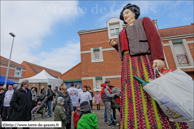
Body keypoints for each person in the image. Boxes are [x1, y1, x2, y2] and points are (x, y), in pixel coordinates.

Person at [108, 3, 188, 129]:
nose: (125, 16)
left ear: (135, 12)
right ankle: (134, 122)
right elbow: (125, 49)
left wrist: (158, 57)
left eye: (127, 13)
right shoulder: (122, 31)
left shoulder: (144, 20)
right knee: (131, 93)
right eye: (123, 15)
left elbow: (154, 37)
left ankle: (154, 122)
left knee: (148, 89)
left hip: (142, 60)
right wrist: (115, 45)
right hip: (127, 64)